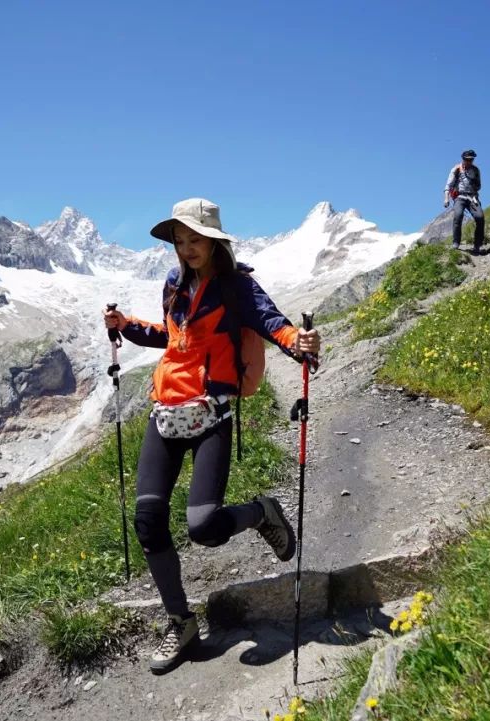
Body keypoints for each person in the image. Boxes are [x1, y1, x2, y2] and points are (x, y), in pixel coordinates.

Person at [103, 198, 321, 674]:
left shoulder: (236, 286)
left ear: (215, 240)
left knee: (203, 527)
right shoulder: (174, 284)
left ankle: (262, 512)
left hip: (211, 414)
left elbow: (271, 322)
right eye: (180, 241)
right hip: (166, 412)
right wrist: (127, 328)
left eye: (194, 239)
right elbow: (171, 337)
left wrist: (296, 344)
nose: (186, 248)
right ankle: (180, 622)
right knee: (148, 520)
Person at [444, 149, 486, 254]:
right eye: (467, 160)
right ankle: (456, 243)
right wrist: (446, 198)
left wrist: (474, 186)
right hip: (460, 197)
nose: (469, 162)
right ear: (463, 159)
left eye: (471, 160)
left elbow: (479, 185)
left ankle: (477, 245)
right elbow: (448, 186)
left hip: (472, 198)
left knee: (480, 217)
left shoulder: (476, 170)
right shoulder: (456, 169)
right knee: (458, 216)